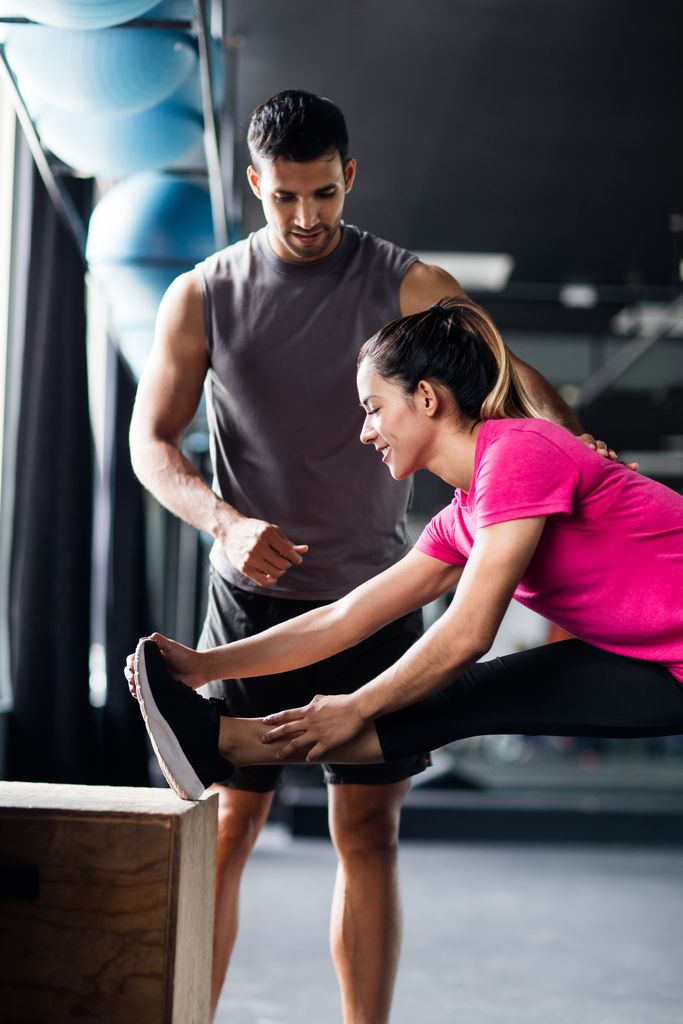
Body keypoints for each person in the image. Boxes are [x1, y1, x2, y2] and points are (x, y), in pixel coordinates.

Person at [129, 90, 611, 1024]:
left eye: (323, 194)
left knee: (368, 833)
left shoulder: (408, 282)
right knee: (229, 830)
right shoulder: (202, 293)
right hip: (251, 603)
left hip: (381, 598)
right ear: (253, 186)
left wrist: (581, 450)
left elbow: (516, 384)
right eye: (284, 199)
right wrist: (224, 523)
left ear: (349, 177)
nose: (306, 218)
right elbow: (153, 443)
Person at [129, 296, 683, 800]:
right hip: (662, 665)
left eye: (373, 408)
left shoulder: (518, 453)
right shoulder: (463, 515)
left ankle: (221, 741)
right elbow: (345, 618)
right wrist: (205, 665)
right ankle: (219, 742)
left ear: (426, 397)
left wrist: (358, 705)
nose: (366, 432)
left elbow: (467, 634)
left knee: (469, 686)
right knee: (465, 696)